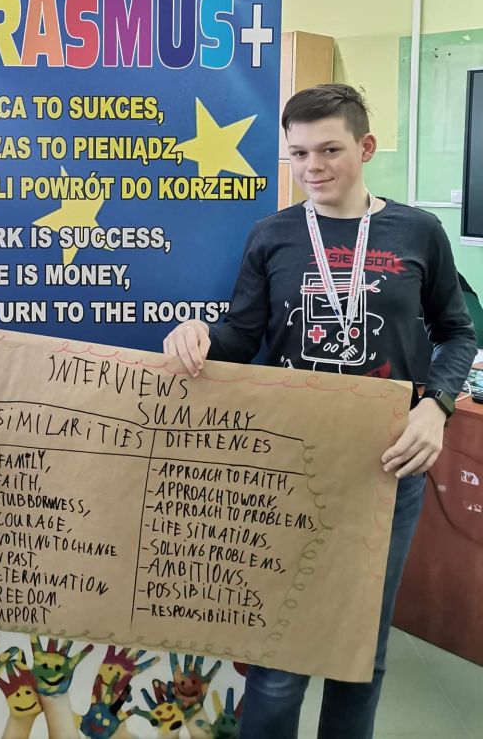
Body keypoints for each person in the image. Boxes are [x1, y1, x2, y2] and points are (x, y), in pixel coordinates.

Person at [163, 83, 476, 739]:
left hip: (386, 467)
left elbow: (457, 331)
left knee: (360, 651)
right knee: (281, 652)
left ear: (366, 147)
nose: (313, 166)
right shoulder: (272, 234)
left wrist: (437, 406)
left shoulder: (418, 231)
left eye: (330, 149)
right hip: (290, 466)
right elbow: (240, 337)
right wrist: (197, 334)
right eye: (299, 152)